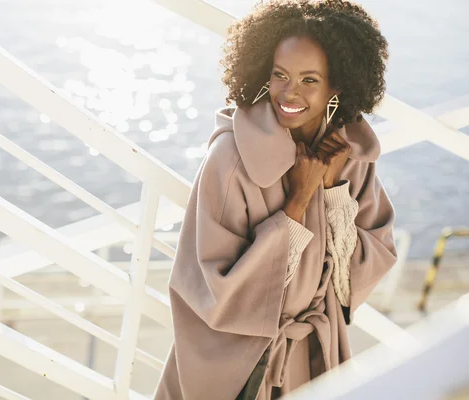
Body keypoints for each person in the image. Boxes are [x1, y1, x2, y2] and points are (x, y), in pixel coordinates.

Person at [154, 0, 397, 399]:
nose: (289, 93)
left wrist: (334, 190)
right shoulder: (230, 161)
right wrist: (298, 202)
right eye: (280, 75)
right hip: (240, 365)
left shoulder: (351, 159)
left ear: (338, 84)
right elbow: (222, 297)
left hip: (315, 354)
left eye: (309, 80)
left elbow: (347, 285)